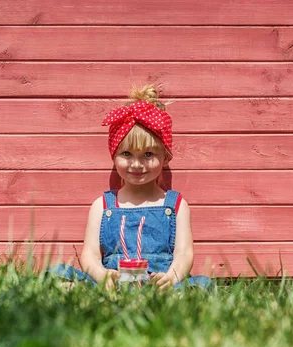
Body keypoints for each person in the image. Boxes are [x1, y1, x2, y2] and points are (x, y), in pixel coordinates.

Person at [49, 84, 213, 291]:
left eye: (148, 155)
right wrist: (102, 276)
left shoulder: (176, 205)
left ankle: (172, 296)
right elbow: (90, 254)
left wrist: (172, 278)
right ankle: (90, 291)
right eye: (127, 154)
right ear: (114, 156)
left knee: (203, 284)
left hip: (159, 285)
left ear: (165, 158)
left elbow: (183, 254)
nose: (136, 164)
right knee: (56, 272)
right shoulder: (102, 206)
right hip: (113, 285)